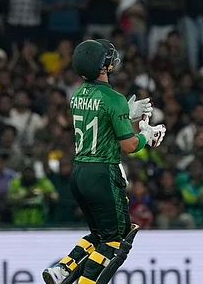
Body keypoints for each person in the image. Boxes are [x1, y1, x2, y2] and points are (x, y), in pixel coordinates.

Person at [42, 39, 167, 284]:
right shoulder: (114, 98)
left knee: (100, 234)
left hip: (79, 171)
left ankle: (63, 269)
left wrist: (125, 113)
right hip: (102, 172)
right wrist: (147, 135)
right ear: (101, 67)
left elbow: (99, 118)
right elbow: (129, 145)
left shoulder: (77, 94)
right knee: (118, 239)